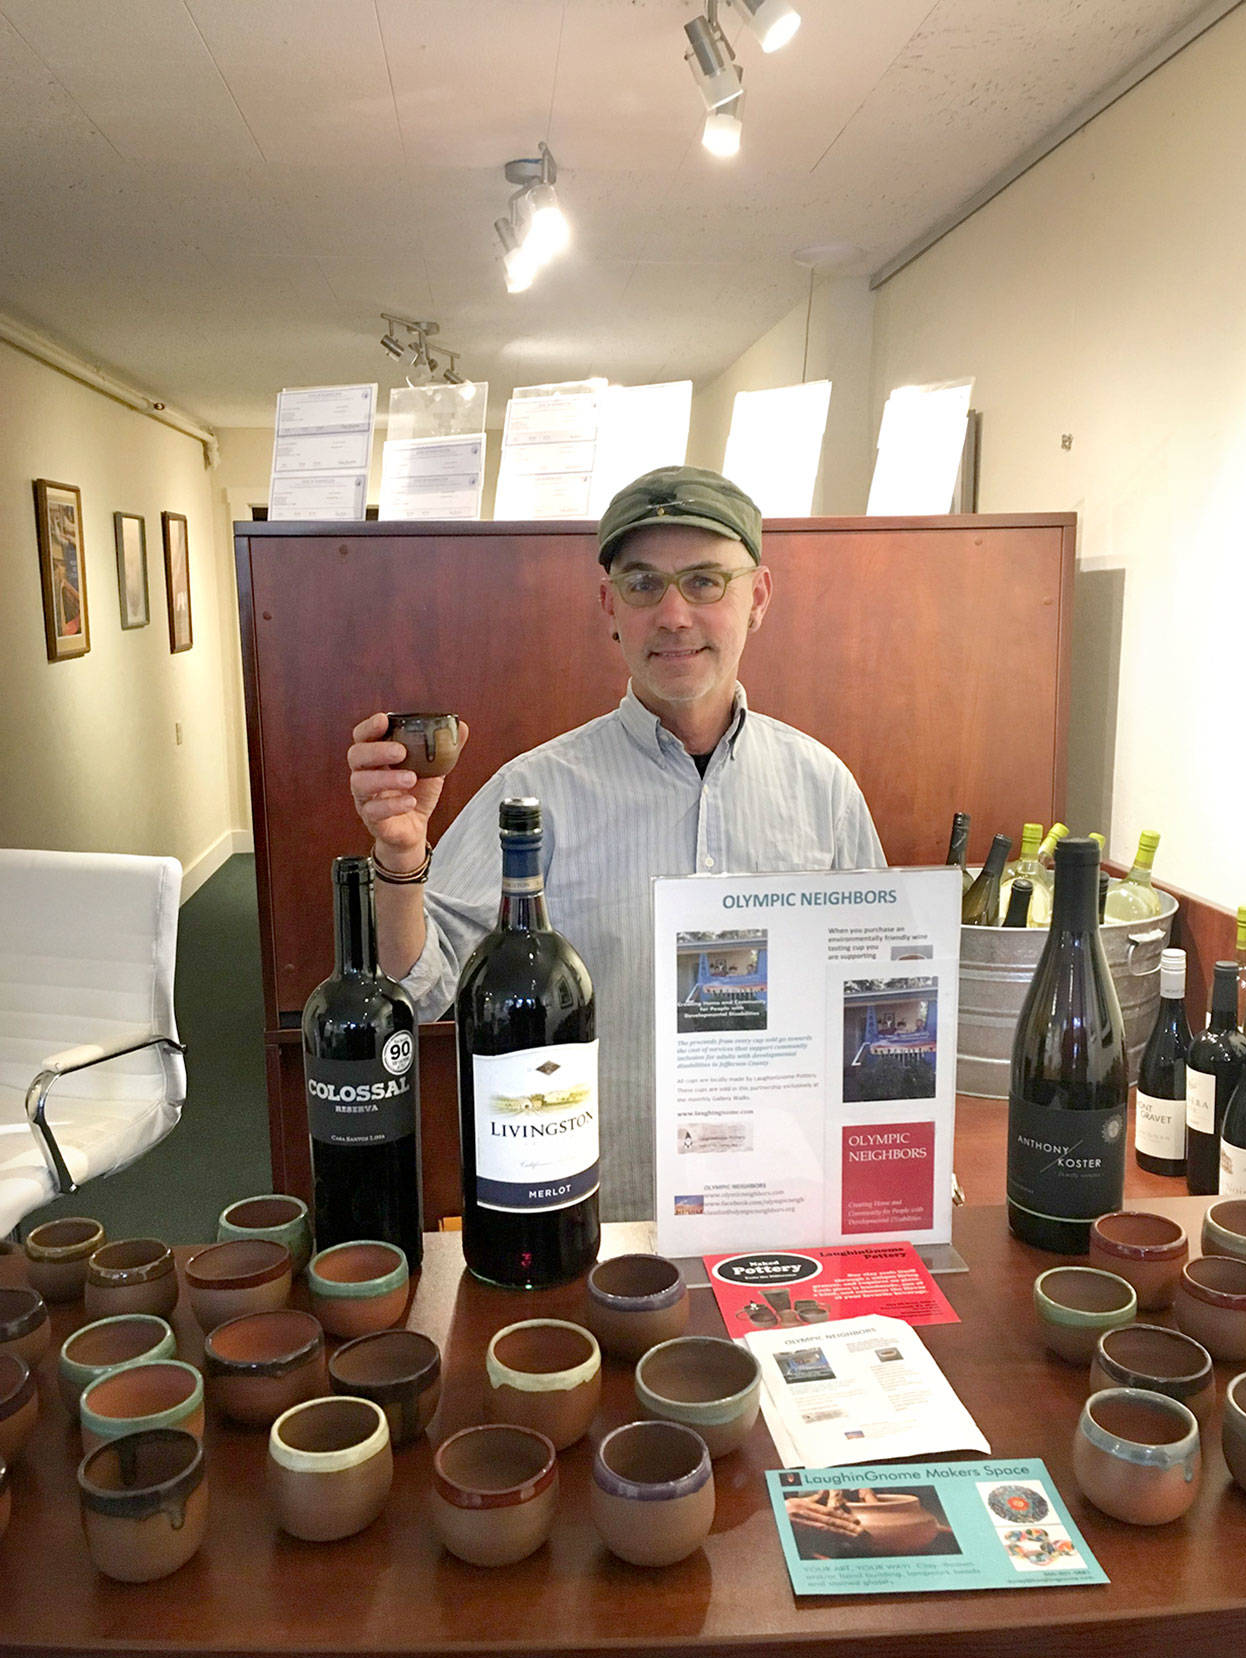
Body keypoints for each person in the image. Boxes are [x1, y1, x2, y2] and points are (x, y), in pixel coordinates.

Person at [348, 466, 884, 1219]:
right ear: (610, 605)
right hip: (603, 1215)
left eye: (704, 582)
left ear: (757, 597)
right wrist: (402, 860)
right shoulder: (532, 793)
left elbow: (877, 997)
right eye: (642, 584)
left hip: (785, 1200)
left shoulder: (823, 789)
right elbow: (424, 991)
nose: (672, 614)